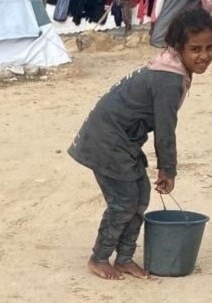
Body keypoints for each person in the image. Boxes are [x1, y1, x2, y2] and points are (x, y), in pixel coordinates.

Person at [68, 6, 212, 280]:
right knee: (123, 202)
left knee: (140, 198)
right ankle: (99, 257)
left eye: (209, 47)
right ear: (178, 47)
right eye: (195, 49)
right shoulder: (168, 79)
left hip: (122, 140)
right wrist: (168, 170)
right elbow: (165, 130)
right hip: (107, 140)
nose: (204, 56)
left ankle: (123, 258)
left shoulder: (172, 67)